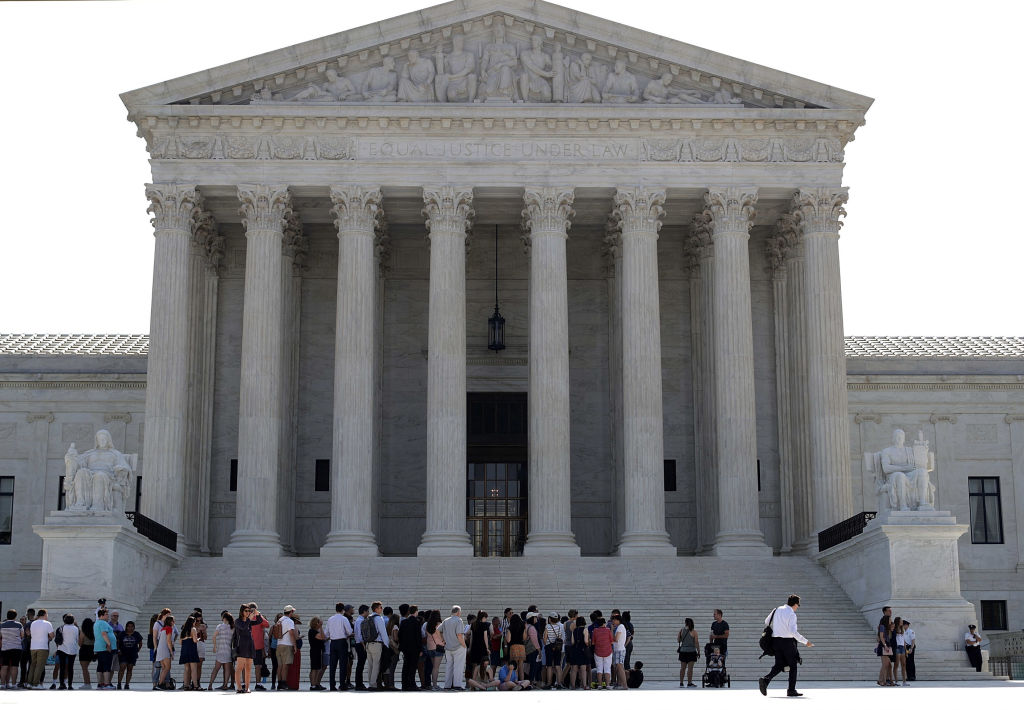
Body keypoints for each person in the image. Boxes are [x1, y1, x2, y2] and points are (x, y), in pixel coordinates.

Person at [758, 595, 813, 698]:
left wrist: (778, 627)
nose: (797, 607)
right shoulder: (791, 614)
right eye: (798, 605)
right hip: (787, 642)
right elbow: (793, 632)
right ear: (795, 604)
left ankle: (765, 680)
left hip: (776, 642)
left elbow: (766, 621)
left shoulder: (777, 609)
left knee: (779, 664)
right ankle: (791, 690)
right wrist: (806, 642)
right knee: (793, 666)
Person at [360, 602, 388, 691]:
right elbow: (383, 632)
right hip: (376, 644)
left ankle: (370, 683)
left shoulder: (369, 617)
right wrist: (387, 644)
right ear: (376, 609)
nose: (382, 609)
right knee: (376, 665)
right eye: (380, 607)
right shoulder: (379, 619)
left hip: (368, 644)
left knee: (371, 665)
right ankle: (373, 684)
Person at [326, 602, 353, 691]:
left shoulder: (330, 619)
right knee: (343, 665)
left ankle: (332, 685)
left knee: (333, 665)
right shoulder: (344, 619)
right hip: (342, 642)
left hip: (333, 642)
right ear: (343, 610)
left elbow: (326, 633)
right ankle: (342, 684)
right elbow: (349, 631)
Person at [441, 605, 467, 690]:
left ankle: (447, 685)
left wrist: (443, 640)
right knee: (458, 666)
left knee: (449, 666)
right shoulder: (458, 620)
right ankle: (457, 685)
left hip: (448, 646)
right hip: (458, 646)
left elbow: (438, 630)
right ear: (458, 612)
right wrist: (464, 645)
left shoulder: (446, 620)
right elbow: (459, 635)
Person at [232, 606, 258, 693]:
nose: (248, 612)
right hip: (241, 645)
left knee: (248, 668)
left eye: (249, 611)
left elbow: (259, 621)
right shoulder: (237, 621)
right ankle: (239, 687)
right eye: (246, 611)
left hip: (250, 645)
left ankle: (247, 687)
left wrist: (257, 614)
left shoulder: (248, 621)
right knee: (239, 667)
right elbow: (243, 627)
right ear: (241, 611)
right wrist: (249, 619)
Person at [208, 611, 234, 690]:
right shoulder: (232, 627)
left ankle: (210, 685)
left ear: (224, 618)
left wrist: (215, 646)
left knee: (216, 668)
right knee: (227, 669)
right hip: (228, 650)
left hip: (220, 650)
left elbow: (214, 636)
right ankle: (225, 684)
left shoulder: (219, 626)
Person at [28, 609, 54, 689]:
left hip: (33, 647)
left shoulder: (33, 623)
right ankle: (35, 684)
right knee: (40, 666)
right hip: (42, 647)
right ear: (44, 614)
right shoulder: (47, 623)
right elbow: (52, 635)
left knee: (33, 665)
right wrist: (49, 638)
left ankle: (29, 683)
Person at [246, 603, 269, 690]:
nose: (251, 612)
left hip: (258, 646)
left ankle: (258, 684)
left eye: (253, 610)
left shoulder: (259, 618)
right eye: (250, 610)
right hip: (248, 645)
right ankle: (245, 683)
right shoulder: (246, 618)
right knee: (246, 665)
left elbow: (267, 624)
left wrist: (258, 614)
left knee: (258, 666)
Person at [275, 605, 298, 690]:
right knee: (285, 665)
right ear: (291, 612)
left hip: (279, 644)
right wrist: (295, 645)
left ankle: (279, 683)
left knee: (280, 665)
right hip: (287, 644)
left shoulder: (280, 620)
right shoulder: (289, 621)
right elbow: (291, 634)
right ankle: (284, 683)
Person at [1, 609, 24, 689]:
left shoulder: (2, 625)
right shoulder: (19, 625)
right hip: (16, 648)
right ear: (15, 616)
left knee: (4, 666)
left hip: (5, 648)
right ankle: (14, 684)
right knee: (15, 666)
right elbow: (22, 635)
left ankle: (2, 684)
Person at [55, 613, 79, 690]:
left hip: (62, 649)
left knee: (62, 668)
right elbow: (77, 639)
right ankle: (70, 685)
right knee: (70, 668)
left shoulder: (61, 628)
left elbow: (57, 640)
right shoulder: (76, 628)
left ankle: (62, 684)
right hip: (72, 649)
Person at [179, 613, 203, 691]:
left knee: (186, 668)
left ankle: (186, 685)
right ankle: (196, 685)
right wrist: (199, 639)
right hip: (191, 649)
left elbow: (180, 642)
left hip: (184, 649)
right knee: (193, 669)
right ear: (193, 622)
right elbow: (195, 640)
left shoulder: (183, 629)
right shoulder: (193, 629)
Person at [117, 620, 142, 690]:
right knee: (122, 667)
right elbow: (118, 643)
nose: (130, 628)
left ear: (134, 627)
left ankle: (127, 684)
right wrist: (118, 650)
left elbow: (140, 643)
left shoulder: (136, 634)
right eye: (129, 626)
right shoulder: (122, 634)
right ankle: (119, 683)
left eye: (132, 626)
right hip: (123, 654)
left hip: (132, 654)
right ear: (126, 627)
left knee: (130, 669)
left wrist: (137, 650)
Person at [590, 617, 613, 690]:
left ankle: (599, 685)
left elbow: (593, 642)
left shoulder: (595, 631)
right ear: (604, 623)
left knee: (599, 669)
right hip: (608, 651)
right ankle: (608, 685)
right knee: (607, 669)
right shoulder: (608, 630)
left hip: (598, 652)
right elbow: (611, 641)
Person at [154, 615, 175, 690]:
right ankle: (160, 684)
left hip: (160, 649)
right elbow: (168, 641)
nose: (174, 622)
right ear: (170, 622)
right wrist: (171, 652)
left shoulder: (162, 629)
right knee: (167, 667)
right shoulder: (169, 628)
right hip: (165, 649)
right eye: (173, 621)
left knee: (164, 668)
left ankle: (160, 683)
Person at [543, 613, 563, 689]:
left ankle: (549, 683)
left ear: (550, 619)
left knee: (549, 666)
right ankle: (559, 683)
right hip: (557, 647)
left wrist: (546, 644)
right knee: (558, 665)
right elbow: (560, 637)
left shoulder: (547, 626)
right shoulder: (559, 627)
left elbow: (545, 638)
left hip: (549, 647)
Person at [677, 617, 699, 687]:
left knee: (682, 668)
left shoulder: (681, 630)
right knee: (690, 669)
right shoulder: (694, 632)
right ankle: (689, 683)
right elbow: (696, 643)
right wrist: (698, 651)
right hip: (691, 652)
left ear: (685, 623)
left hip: (683, 651)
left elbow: (678, 640)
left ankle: (681, 683)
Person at [352, 604, 370, 690]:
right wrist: (364, 645)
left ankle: (359, 683)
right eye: (367, 611)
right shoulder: (360, 621)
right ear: (364, 611)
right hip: (360, 644)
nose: (368, 613)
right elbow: (359, 634)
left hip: (359, 643)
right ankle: (359, 684)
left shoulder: (360, 620)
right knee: (360, 664)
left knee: (361, 664)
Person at [308, 616, 326, 690]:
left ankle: (315, 684)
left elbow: (323, 637)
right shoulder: (312, 631)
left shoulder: (315, 631)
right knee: (314, 668)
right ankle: (313, 685)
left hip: (318, 651)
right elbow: (322, 637)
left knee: (317, 668)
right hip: (315, 651)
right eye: (319, 622)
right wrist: (321, 627)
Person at [610, 615, 628, 690]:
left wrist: (611, 630)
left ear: (618, 620)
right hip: (618, 649)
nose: (613, 622)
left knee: (620, 667)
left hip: (619, 650)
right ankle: (620, 684)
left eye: (613, 620)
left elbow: (616, 639)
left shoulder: (620, 626)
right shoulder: (620, 627)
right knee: (618, 667)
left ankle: (624, 685)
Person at [876, 612, 894, 686]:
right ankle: (881, 680)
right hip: (884, 645)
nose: (891, 620)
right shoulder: (882, 626)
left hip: (886, 645)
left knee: (887, 664)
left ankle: (883, 680)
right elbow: (881, 637)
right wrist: (885, 645)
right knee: (885, 664)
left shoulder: (887, 628)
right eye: (889, 619)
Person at [891, 616, 908, 686]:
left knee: (904, 664)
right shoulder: (894, 629)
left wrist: (905, 649)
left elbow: (904, 640)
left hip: (902, 648)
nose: (902, 622)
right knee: (896, 664)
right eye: (901, 621)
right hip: (897, 647)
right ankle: (896, 681)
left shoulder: (902, 630)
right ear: (898, 621)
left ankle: (904, 681)